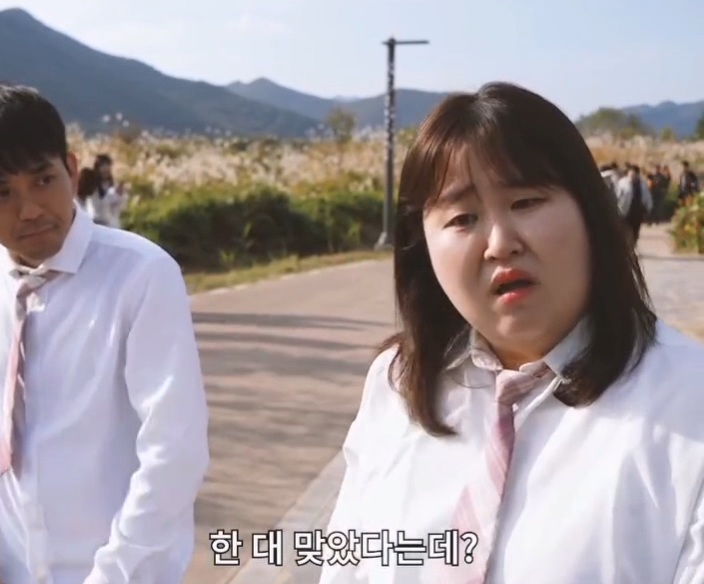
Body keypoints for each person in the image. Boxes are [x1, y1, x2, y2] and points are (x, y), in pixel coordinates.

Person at [318, 82, 704, 584]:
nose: (500, 243)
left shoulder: (688, 404)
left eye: (526, 202)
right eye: (463, 218)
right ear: (422, 246)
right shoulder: (396, 383)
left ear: (591, 212)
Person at [0, 84, 210, 583]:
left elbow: (174, 448)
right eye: (2, 192)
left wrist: (115, 573)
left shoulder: (140, 274)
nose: (29, 209)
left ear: (72, 171)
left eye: (43, 180)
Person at [615, 164, 652, 245]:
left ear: (637, 174)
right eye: (630, 174)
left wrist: (648, 207)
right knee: (626, 229)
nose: (632, 176)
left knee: (636, 229)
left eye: (634, 174)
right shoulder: (622, 183)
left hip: (638, 210)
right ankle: (627, 245)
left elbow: (647, 196)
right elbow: (617, 195)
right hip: (625, 209)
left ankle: (633, 244)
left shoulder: (642, 184)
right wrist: (616, 207)